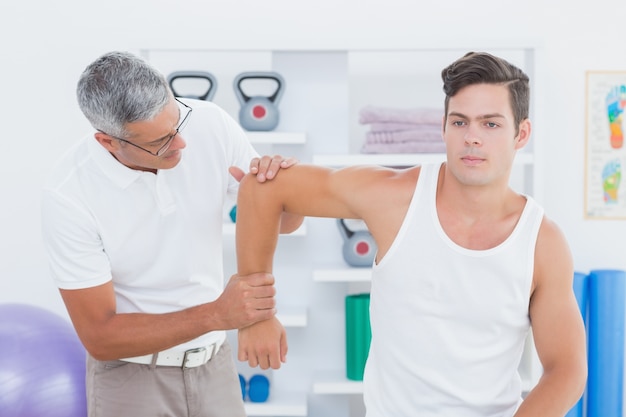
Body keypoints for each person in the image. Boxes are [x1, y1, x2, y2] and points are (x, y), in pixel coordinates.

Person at [233, 52, 587, 416]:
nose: (472, 138)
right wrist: (256, 315)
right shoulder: (393, 198)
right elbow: (264, 189)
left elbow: (567, 368)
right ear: (444, 128)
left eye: (491, 124)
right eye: (460, 122)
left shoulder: (541, 243)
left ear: (521, 133)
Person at [40, 51, 302, 417]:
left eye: (177, 121)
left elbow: (288, 223)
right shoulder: (69, 195)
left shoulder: (210, 124)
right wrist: (218, 315)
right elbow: (100, 337)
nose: (180, 143)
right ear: (109, 142)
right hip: (130, 378)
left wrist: (285, 192)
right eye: (159, 141)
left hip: (215, 366)